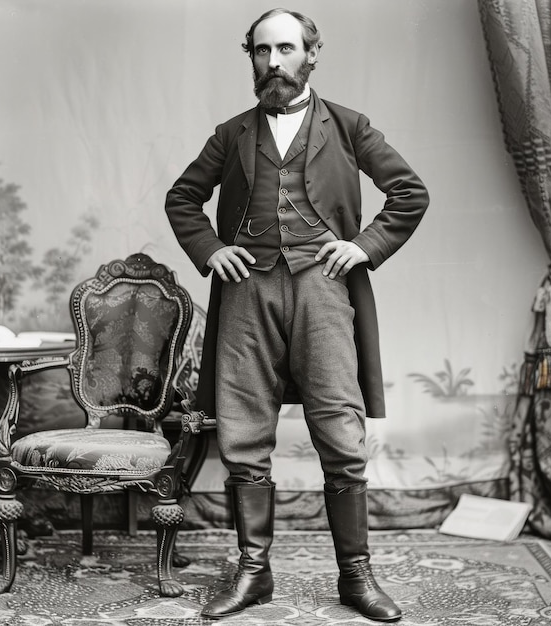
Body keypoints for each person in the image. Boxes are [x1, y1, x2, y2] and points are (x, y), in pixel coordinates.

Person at [165, 8, 429, 622]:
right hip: (247, 294)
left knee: (340, 426)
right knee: (241, 429)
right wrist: (211, 250)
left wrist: (362, 246)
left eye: (286, 48)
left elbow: (409, 192)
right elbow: (183, 198)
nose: (274, 61)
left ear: (312, 54)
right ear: (252, 58)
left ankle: (355, 577)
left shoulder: (349, 126)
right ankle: (253, 572)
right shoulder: (231, 133)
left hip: (324, 288)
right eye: (262, 51)